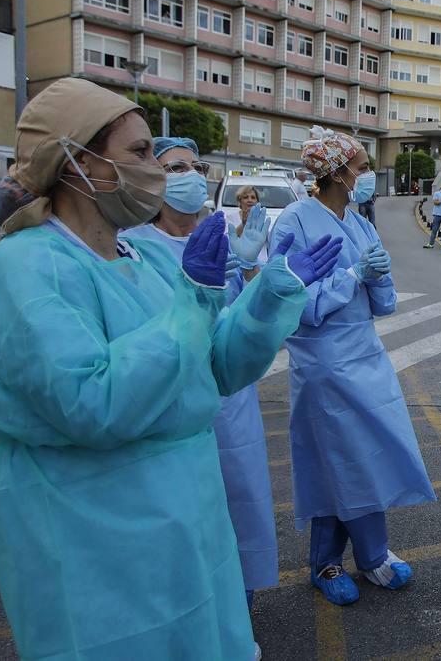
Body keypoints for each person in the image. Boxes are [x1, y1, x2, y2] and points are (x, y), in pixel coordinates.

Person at [0, 80, 343, 660]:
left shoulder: (140, 255)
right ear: (78, 162)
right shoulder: (29, 270)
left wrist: (272, 294)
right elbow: (93, 404)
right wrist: (189, 303)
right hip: (96, 529)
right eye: (140, 152)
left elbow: (212, 370)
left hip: (185, 519)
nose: (158, 169)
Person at [271, 127, 434, 606]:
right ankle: (326, 562)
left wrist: (379, 278)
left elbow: (381, 303)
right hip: (322, 362)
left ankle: (371, 555)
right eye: (361, 168)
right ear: (337, 173)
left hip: (365, 356)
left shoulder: (361, 222)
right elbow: (289, 303)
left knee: (368, 460)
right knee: (334, 464)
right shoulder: (294, 223)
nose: (366, 176)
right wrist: (351, 277)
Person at [123, 138, 276, 622]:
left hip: (232, 401)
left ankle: (240, 614)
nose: (189, 174)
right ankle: (195, 620)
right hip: (176, 401)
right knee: (186, 518)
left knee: (242, 505)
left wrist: (252, 269)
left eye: (195, 165)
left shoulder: (220, 237)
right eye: (174, 167)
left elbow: (250, 326)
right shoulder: (133, 248)